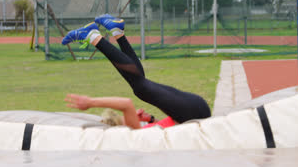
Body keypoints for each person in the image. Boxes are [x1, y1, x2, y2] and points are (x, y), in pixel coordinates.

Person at [62, 14, 211, 129]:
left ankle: (114, 32)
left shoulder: (139, 130)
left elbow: (130, 107)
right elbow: (126, 105)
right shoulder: (135, 134)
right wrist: (90, 102)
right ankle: (95, 36)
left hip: (191, 113)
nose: (125, 117)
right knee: (141, 87)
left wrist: (150, 120)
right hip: (193, 115)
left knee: (141, 83)